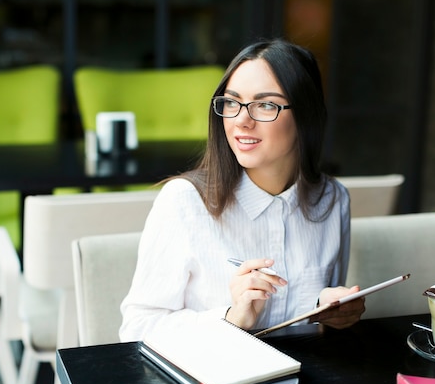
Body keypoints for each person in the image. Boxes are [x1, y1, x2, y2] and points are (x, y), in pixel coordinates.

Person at [119, 39, 365, 342]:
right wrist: (232, 318)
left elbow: (318, 331)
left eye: (265, 105)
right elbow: (137, 328)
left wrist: (328, 312)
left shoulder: (332, 199)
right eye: (232, 102)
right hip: (211, 381)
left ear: (305, 115)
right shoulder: (184, 202)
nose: (241, 121)